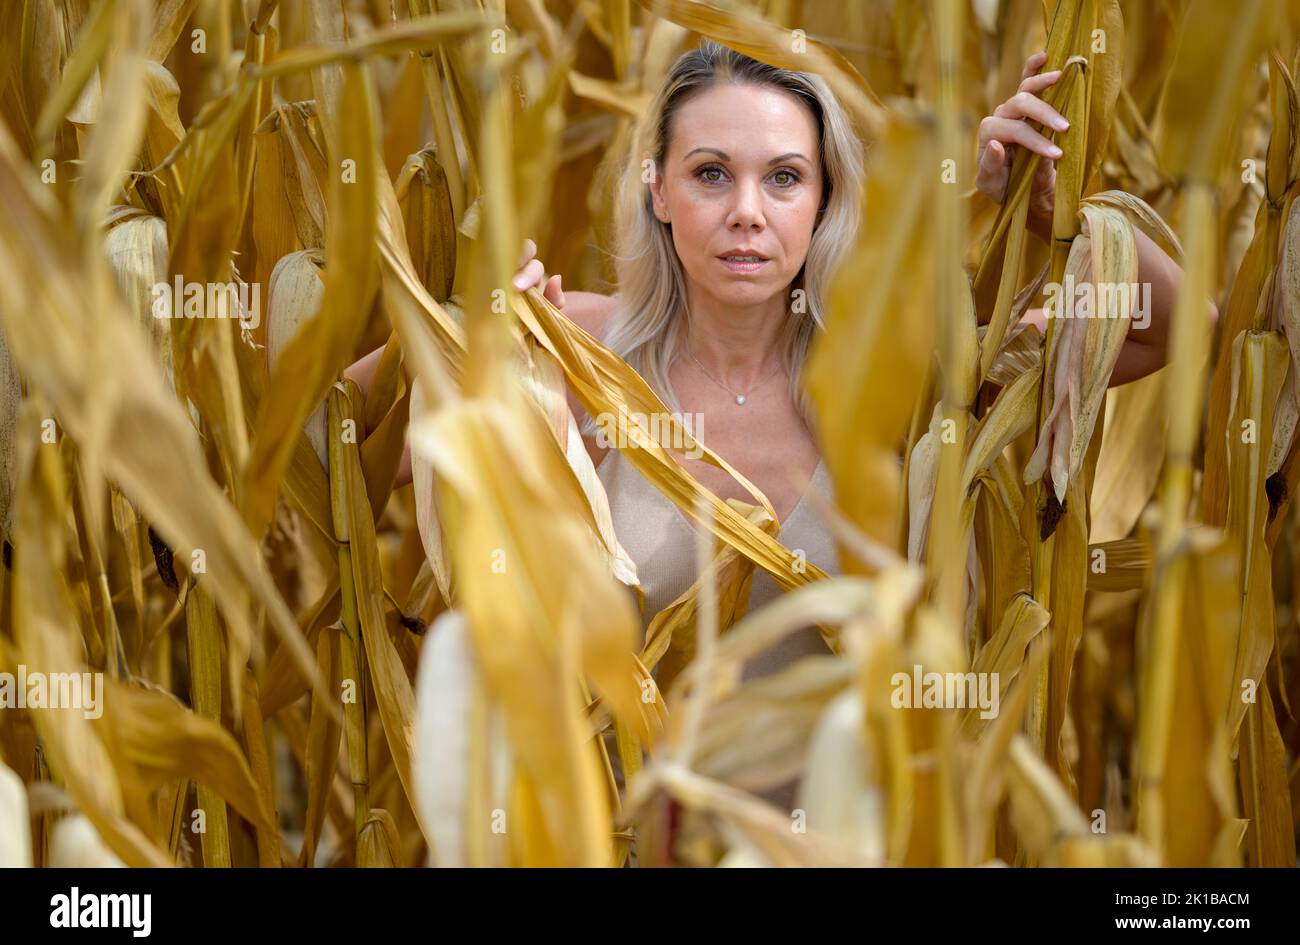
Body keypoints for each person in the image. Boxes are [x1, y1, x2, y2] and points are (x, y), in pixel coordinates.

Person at [350, 43, 1206, 682]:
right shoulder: (574, 351)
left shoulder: (899, 370)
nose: (748, 213)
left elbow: (1175, 326)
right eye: (712, 174)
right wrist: (454, 346)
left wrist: (1042, 214)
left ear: (825, 197)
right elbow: (328, 443)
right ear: (658, 190)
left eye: (786, 178)